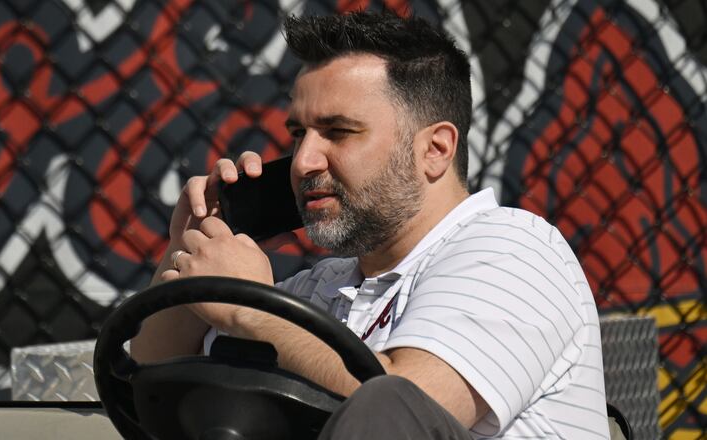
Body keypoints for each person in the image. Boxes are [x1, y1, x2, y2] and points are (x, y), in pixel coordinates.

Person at [131, 11, 609, 440]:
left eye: (338, 132)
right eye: (298, 134)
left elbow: (411, 410)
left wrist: (253, 314)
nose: (302, 162)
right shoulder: (324, 288)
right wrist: (194, 244)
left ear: (435, 150)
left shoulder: (513, 250)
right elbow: (150, 375)